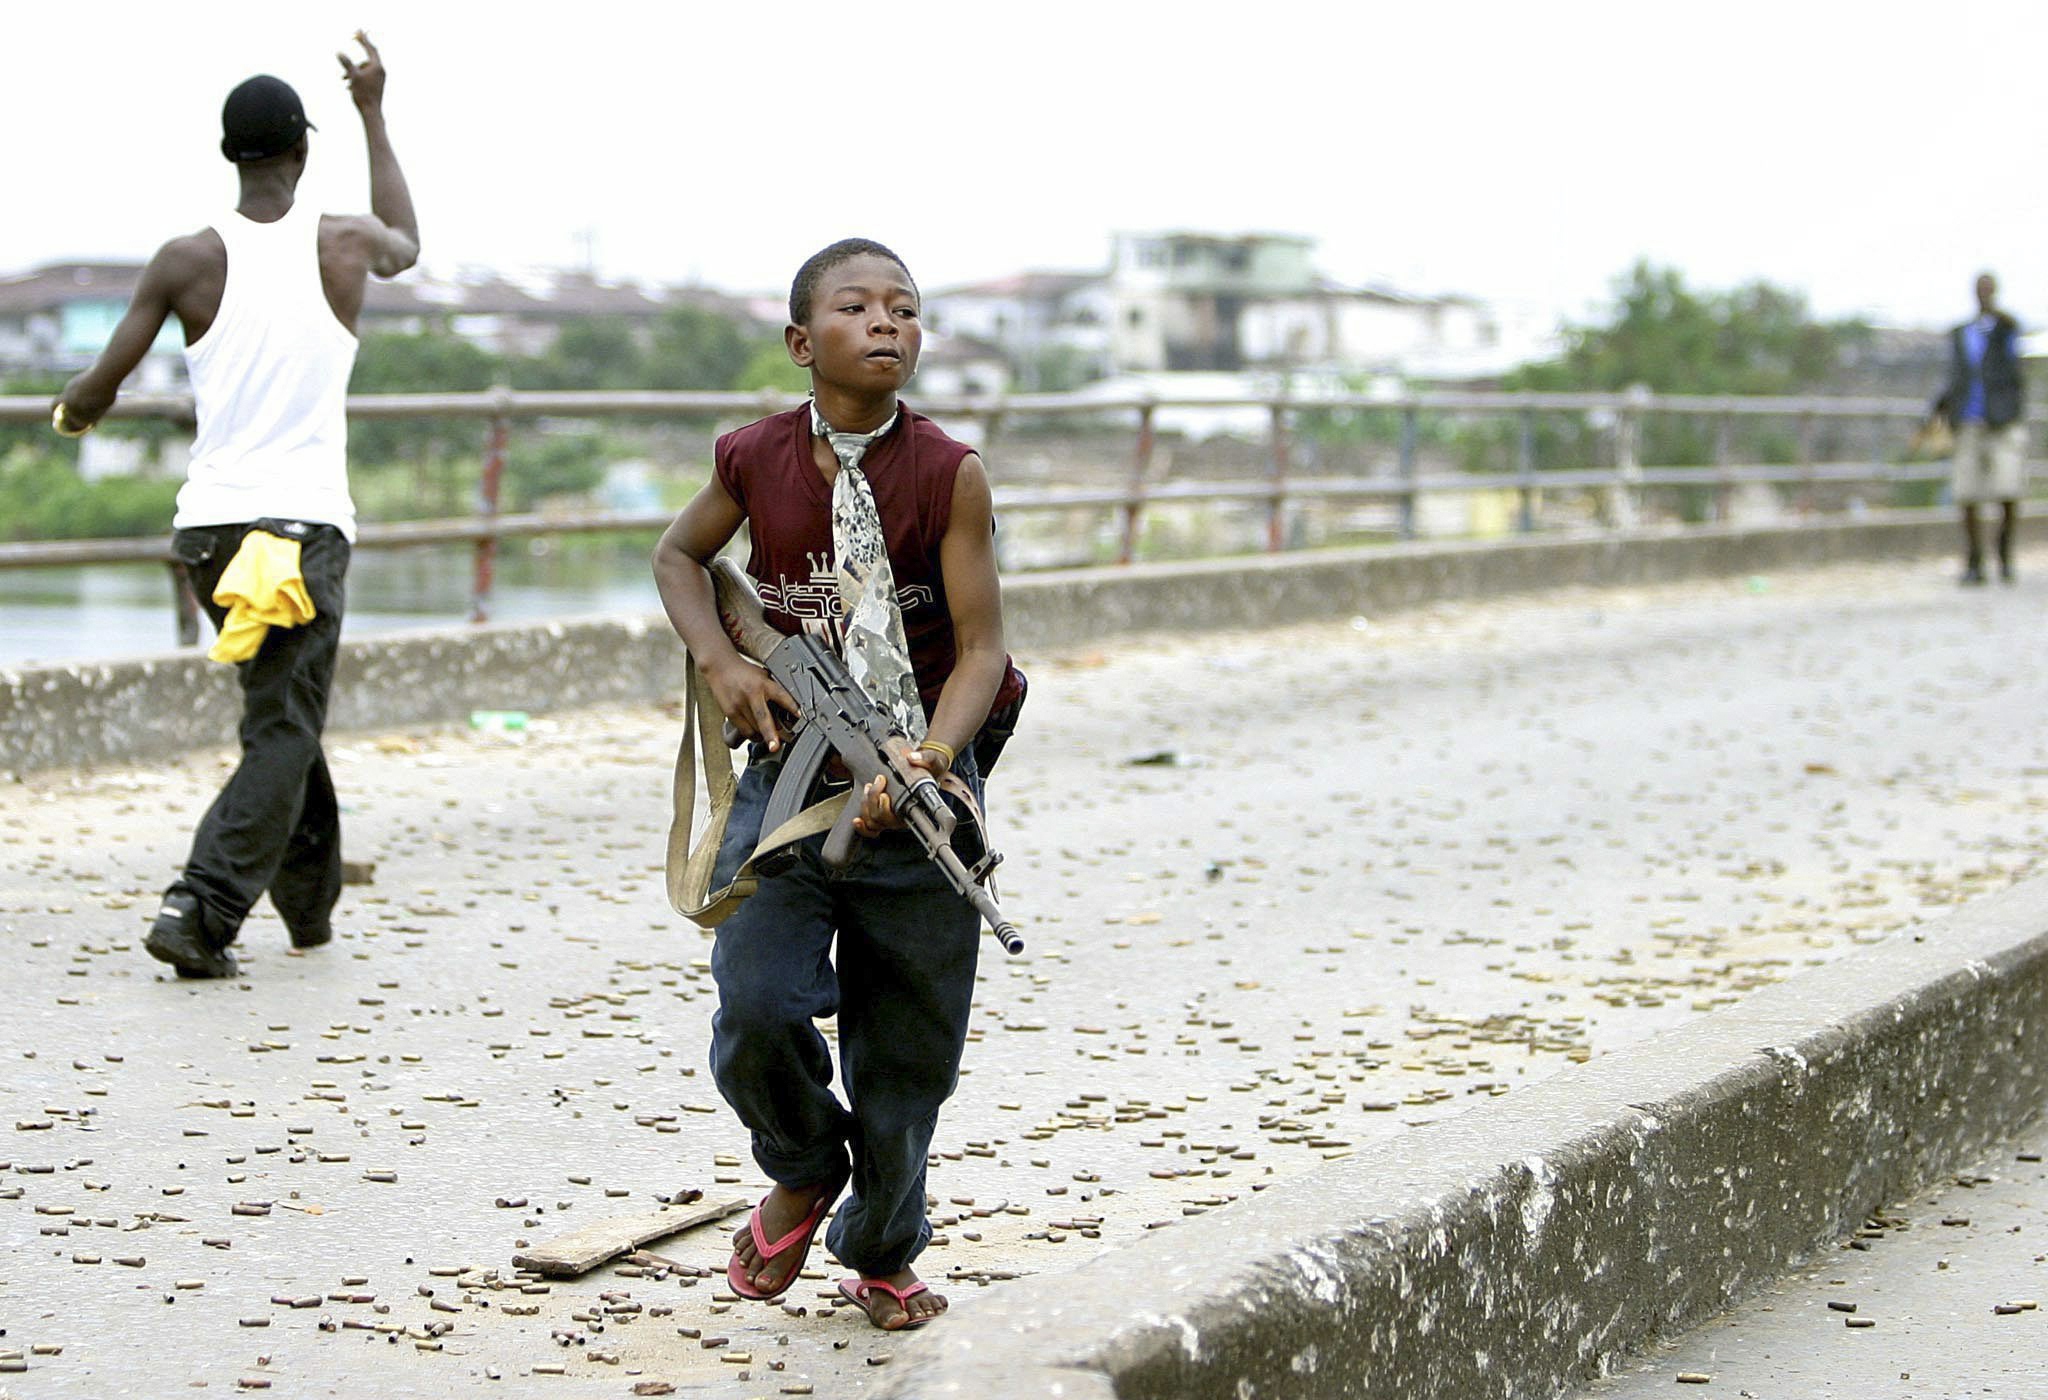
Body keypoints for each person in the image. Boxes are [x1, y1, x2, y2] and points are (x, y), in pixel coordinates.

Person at [651, 238, 1023, 1331]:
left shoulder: (946, 470)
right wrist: (722, 661)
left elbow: (983, 648)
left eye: (904, 310)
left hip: (921, 785)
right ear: (802, 343)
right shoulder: (751, 458)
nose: (886, 325)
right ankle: (805, 1166)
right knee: (756, 1003)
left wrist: (928, 761)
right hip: (791, 784)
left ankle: (878, 1241)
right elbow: (681, 558)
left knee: (908, 1066)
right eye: (857, 308)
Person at [54, 35, 419, 978]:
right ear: (300, 150)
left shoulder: (186, 259)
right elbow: (407, 244)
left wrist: (67, 416)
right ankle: (201, 907)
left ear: (232, 156)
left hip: (213, 534)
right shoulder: (343, 242)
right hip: (301, 531)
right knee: (284, 723)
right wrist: (375, 109)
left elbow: (99, 387)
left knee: (285, 713)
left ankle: (308, 910)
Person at [1934, 273, 2026, 585]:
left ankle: (2005, 552)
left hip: (2001, 422)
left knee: (2008, 489)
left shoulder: (2006, 329)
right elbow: (1955, 377)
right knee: (1967, 493)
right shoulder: (1962, 333)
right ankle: (1974, 559)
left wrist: (2011, 411)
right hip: (1968, 421)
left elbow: (2016, 372)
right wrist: (1939, 411)